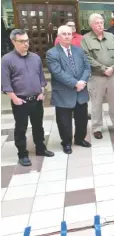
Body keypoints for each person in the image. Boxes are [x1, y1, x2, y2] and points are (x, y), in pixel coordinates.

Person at [1, 29, 54, 166]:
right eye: (22, 41)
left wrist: (42, 92)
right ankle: (22, 154)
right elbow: (5, 83)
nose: (26, 44)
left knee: (38, 126)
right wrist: (14, 99)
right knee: (21, 128)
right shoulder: (6, 60)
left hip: (36, 100)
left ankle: (41, 149)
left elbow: (41, 78)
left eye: (27, 41)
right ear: (13, 41)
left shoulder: (35, 57)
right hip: (20, 101)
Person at [46, 25, 91, 154]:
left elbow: (87, 67)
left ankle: (80, 139)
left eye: (69, 34)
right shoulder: (52, 53)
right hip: (64, 93)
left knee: (82, 119)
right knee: (64, 122)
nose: (67, 36)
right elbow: (57, 72)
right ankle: (66, 142)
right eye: (64, 34)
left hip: (81, 92)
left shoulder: (79, 51)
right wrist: (75, 83)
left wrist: (82, 81)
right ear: (58, 37)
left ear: (72, 36)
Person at [81, 13, 114, 139]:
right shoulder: (86, 39)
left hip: (112, 75)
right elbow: (86, 57)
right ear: (91, 25)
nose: (100, 25)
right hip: (96, 76)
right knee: (96, 103)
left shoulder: (111, 36)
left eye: (101, 22)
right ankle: (97, 127)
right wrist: (103, 69)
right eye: (96, 23)